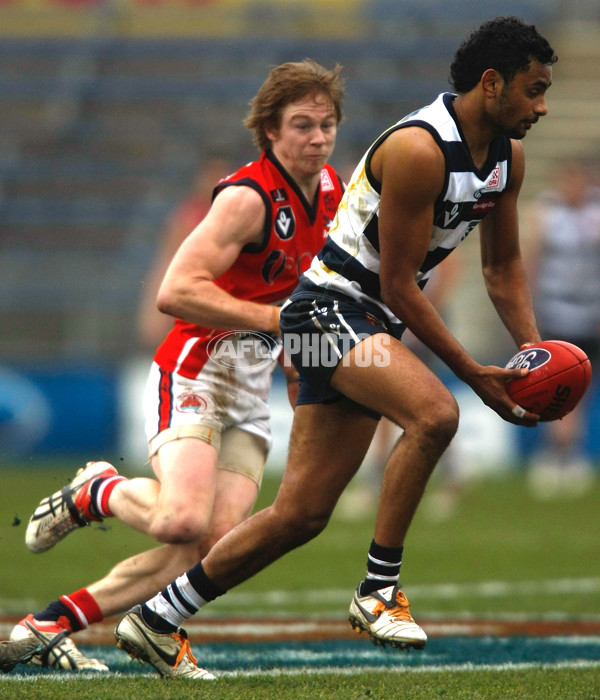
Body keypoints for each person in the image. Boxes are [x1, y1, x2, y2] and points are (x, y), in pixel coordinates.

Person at [108, 16, 557, 680]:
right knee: (437, 414)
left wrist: (535, 356)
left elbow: (502, 270)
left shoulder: (507, 160)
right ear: (491, 84)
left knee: (300, 514)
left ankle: (155, 618)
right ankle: (378, 591)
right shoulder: (419, 149)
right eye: (534, 89)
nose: (542, 106)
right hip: (329, 313)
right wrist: (472, 373)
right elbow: (401, 286)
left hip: (359, 322)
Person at [5, 59, 345, 675]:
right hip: (194, 371)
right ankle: (98, 491)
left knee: (212, 546)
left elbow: (310, 298)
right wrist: (275, 324)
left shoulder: (331, 194)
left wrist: (303, 365)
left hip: (250, 387)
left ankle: (50, 624)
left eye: (326, 125)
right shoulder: (246, 198)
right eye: (302, 125)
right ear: (269, 130)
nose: (318, 138)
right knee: (180, 519)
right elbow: (175, 290)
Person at [525, 158, 600, 498]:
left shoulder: (595, 216)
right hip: (555, 309)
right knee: (555, 385)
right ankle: (555, 454)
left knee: (582, 389)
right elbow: (532, 260)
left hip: (590, 312)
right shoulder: (547, 214)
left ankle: (569, 455)